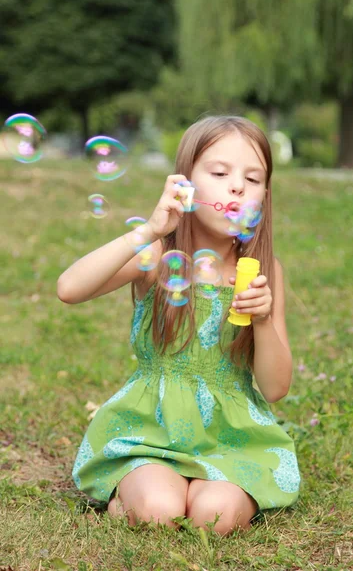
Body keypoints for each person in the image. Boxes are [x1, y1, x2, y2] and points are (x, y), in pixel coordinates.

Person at [57, 115, 301, 536]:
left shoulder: (263, 271)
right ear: (184, 183)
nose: (237, 186)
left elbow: (276, 387)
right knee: (159, 511)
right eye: (220, 172)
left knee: (214, 518)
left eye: (253, 178)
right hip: (151, 431)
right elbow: (70, 288)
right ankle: (129, 496)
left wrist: (262, 320)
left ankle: (207, 489)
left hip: (230, 438)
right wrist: (149, 230)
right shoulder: (156, 254)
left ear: (265, 193)